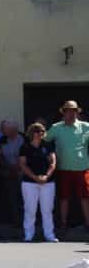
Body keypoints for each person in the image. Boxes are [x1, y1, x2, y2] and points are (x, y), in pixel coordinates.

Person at [45, 100, 89, 234]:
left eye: (74, 111)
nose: (71, 113)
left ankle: (88, 223)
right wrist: (48, 157)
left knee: (86, 197)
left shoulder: (86, 126)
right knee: (64, 197)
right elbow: (43, 142)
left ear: (77, 112)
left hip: (83, 168)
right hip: (63, 168)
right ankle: (63, 224)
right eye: (68, 111)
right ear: (63, 113)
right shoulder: (56, 127)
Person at [19, 122, 58, 242]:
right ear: (32, 133)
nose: (39, 133)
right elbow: (23, 164)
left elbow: (53, 162)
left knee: (47, 209)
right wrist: (35, 177)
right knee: (30, 209)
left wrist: (46, 176)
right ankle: (28, 234)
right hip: (29, 182)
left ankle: (49, 235)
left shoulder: (48, 145)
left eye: (42, 131)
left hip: (48, 182)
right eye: (37, 131)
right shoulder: (25, 147)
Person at [0, 120, 25, 233]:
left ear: (14, 130)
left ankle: (25, 221)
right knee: (11, 198)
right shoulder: (2, 140)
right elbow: (0, 156)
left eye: (6, 130)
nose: (4, 132)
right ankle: (15, 221)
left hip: (22, 172)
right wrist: (9, 167)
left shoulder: (23, 138)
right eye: (4, 130)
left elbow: (25, 154)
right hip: (8, 172)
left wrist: (18, 167)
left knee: (23, 199)